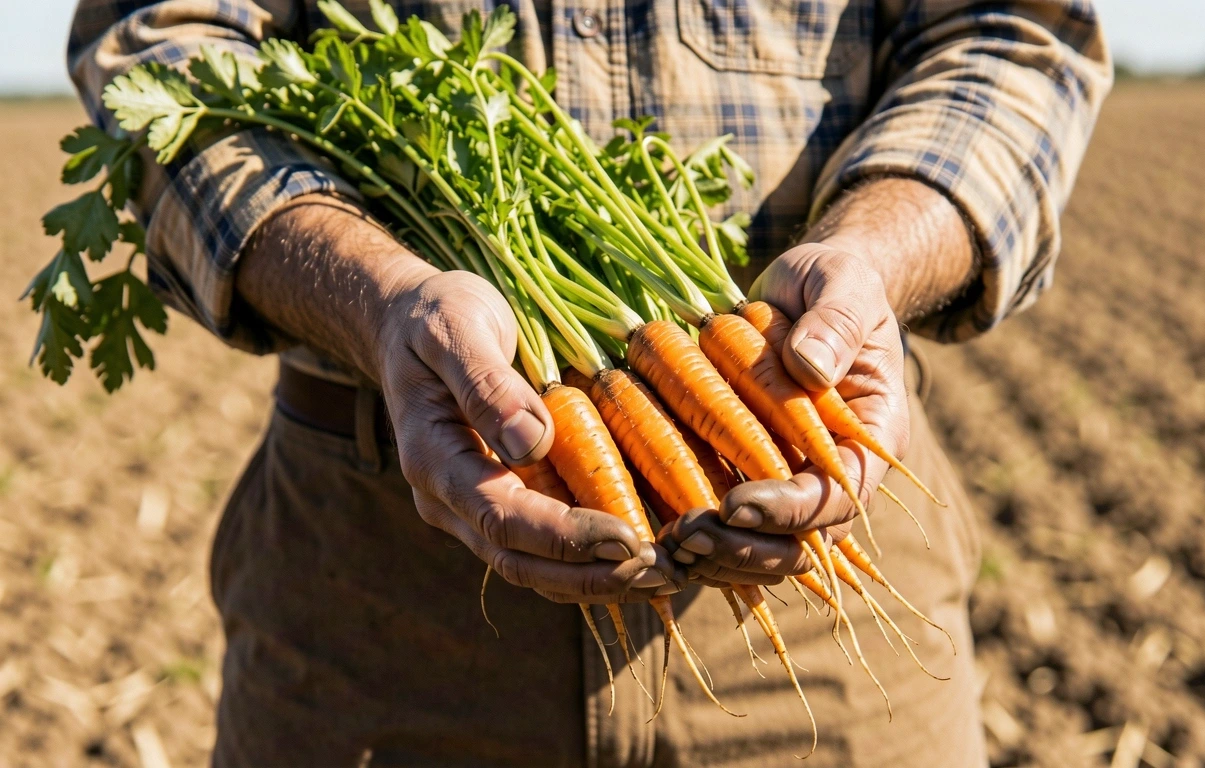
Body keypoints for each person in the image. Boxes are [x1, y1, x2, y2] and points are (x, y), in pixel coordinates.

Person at [68, 1, 1110, 765]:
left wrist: (873, 260)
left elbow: (1014, 33)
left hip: (815, 487)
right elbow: (160, 50)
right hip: (386, 579)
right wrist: (383, 299)